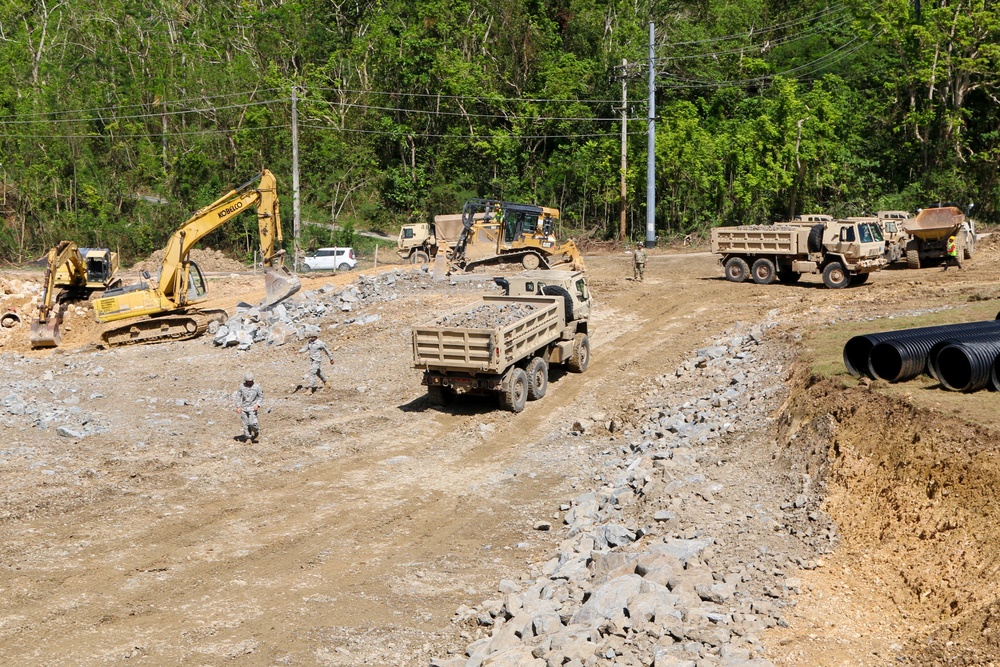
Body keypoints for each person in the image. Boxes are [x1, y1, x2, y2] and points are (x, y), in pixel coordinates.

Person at [235, 371, 263, 442]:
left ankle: (256, 431)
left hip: (252, 408)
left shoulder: (257, 387)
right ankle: (248, 438)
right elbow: (238, 396)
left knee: (252, 423)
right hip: (244, 408)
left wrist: (257, 404)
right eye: (248, 381)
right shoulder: (242, 386)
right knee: (245, 424)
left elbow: (260, 396)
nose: (250, 382)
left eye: (251, 381)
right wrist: (238, 407)